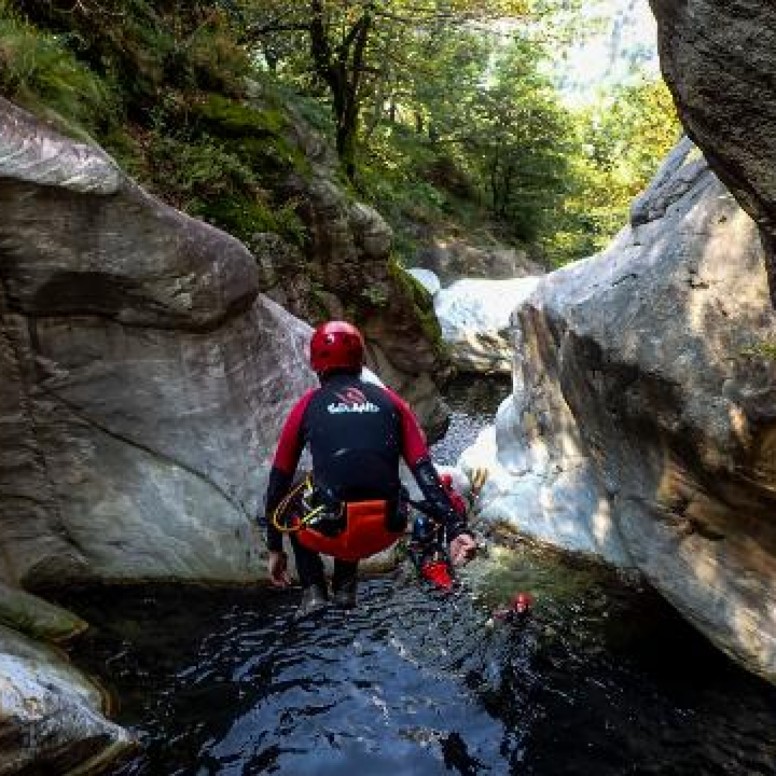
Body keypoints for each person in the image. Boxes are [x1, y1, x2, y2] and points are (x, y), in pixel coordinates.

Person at [262, 320, 477, 616]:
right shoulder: (392, 401)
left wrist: (275, 548)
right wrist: (456, 528)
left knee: (300, 486)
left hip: (330, 530)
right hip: (385, 529)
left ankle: (313, 591)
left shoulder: (307, 405)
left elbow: (277, 482)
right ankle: (345, 587)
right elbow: (425, 473)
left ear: (317, 363)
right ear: (360, 359)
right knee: (359, 483)